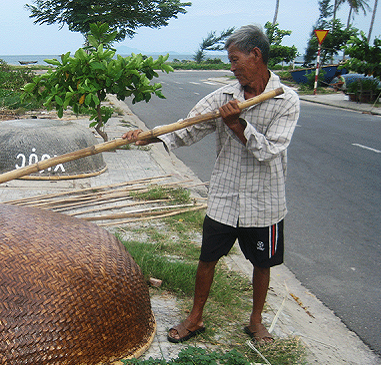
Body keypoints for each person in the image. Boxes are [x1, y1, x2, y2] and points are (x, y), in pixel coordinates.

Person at [123, 25, 300, 344]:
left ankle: (256, 322)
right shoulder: (223, 97)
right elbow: (186, 128)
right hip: (225, 197)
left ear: (255, 55)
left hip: (264, 202)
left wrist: (236, 124)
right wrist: (148, 136)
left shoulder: (286, 101)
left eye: (235, 59)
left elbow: (269, 150)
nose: (231, 67)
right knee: (207, 258)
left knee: (263, 263)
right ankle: (195, 317)